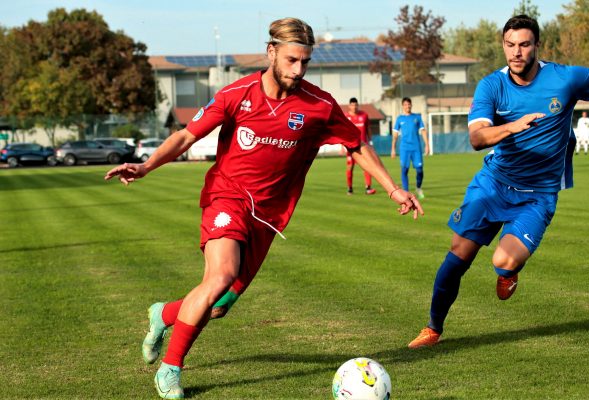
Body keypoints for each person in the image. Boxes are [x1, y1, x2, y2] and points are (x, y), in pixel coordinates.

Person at [105, 17, 424, 398]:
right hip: (227, 197)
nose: (298, 69)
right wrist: (145, 166)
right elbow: (187, 135)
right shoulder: (236, 94)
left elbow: (355, 144)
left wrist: (392, 189)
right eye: (292, 60)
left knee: (218, 304)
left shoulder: (319, 105)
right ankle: (171, 368)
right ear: (271, 51)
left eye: (305, 62)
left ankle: (164, 314)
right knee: (220, 275)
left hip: (269, 217)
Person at [407, 14, 589, 349]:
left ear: (537, 45)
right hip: (494, 184)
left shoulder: (566, 79)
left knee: (502, 260)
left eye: (524, 44)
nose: (517, 52)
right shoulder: (491, 86)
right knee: (458, 254)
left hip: (537, 195)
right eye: (510, 45)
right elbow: (477, 138)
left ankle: (509, 273)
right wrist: (512, 126)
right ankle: (433, 328)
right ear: (503, 46)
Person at [391, 97, 430, 199]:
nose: (407, 106)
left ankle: (418, 187)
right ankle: (406, 192)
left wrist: (427, 145)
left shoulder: (417, 117)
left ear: (411, 105)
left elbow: (423, 131)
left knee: (420, 170)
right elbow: (395, 135)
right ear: (402, 106)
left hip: (416, 148)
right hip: (404, 148)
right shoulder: (400, 119)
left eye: (409, 104)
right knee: (404, 169)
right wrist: (393, 148)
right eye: (405, 104)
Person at [344, 97, 376, 195]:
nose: (354, 107)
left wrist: (370, 142)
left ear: (358, 105)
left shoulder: (364, 115)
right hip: (350, 147)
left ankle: (368, 187)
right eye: (352, 105)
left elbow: (368, 129)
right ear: (349, 106)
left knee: (366, 166)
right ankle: (350, 188)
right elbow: (343, 131)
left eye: (355, 105)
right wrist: (343, 145)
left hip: (363, 147)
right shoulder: (346, 117)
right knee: (350, 167)